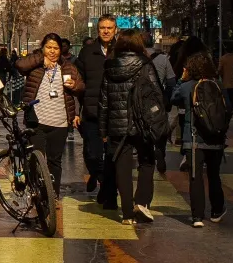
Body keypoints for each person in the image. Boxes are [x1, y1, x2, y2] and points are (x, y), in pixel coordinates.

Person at [102, 32, 162, 224]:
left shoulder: (109, 66)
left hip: (117, 125)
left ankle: (127, 213)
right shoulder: (145, 64)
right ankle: (141, 203)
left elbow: (103, 102)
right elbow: (156, 93)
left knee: (122, 168)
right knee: (147, 161)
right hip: (142, 123)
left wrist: (103, 130)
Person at [18, 33, 83, 195]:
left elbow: (81, 87)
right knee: (36, 158)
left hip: (59, 123)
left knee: (55, 161)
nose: (52, 51)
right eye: (48, 48)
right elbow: (20, 65)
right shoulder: (35, 64)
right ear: (42, 48)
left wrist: (74, 85)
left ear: (61, 50)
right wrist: (40, 59)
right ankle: (36, 192)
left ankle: (53, 196)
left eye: (56, 48)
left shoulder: (68, 67)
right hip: (37, 121)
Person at [172, 51, 227, 228]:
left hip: (193, 138)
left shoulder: (187, 86)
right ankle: (217, 211)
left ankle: (197, 216)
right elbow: (229, 109)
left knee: (195, 177)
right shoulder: (217, 85)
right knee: (214, 175)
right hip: (216, 139)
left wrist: (181, 79)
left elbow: (173, 98)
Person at [77, 16, 119, 203]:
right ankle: (99, 176)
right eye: (103, 27)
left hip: (116, 112)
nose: (106, 31)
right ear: (97, 30)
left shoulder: (122, 51)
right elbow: (78, 83)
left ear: (115, 29)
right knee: (92, 154)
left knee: (112, 156)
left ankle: (108, 193)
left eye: (110, 27)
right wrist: (77, 110)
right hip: (92, 111)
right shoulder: (87, 52)